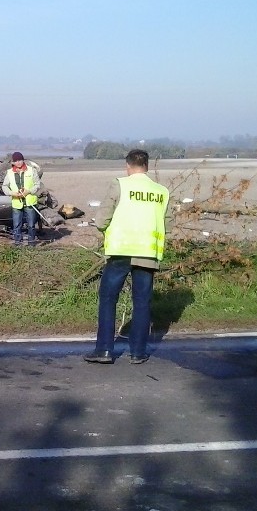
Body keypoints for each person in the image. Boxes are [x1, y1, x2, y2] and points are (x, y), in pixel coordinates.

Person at [84, 149, 171, 364]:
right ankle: (138, 352)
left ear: (128, 166)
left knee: (108, 299)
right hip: (148, 253)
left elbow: (101, 219)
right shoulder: (162, 191)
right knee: (142, 303)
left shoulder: (120, 184)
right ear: (147, 167)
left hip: (121, 251)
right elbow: (168, 222)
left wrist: (106, 230)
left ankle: (104, 350)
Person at [1, 151, 40, 246]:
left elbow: (37, 185)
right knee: (17, 225)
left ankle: (31, 244)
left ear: (23, 160)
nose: (18, 162)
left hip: (30, 203)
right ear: (13, 162)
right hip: (16, 203)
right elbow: (4, 186)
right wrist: (12, 193)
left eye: (20, 160)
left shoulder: (31, 170)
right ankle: (18, 243)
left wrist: (28, 191)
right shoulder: (9, 173)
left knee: (31, 225)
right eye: (16, 160)